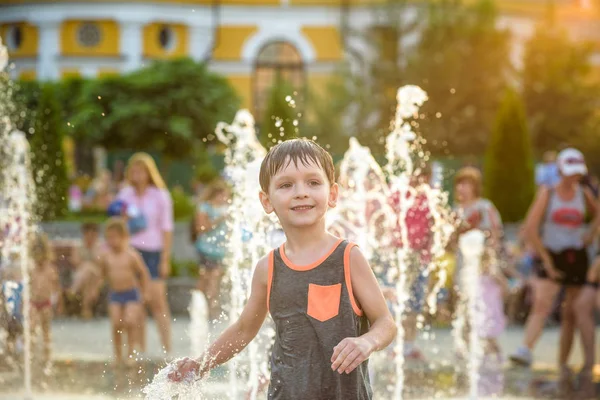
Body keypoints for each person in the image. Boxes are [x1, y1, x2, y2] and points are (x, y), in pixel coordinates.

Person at [169, 138, 397, 398]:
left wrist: (367, 341)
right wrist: (201, 364)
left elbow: (385, 323)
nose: (301, 192)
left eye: (313, 182)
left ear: (332, 194)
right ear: (267, 201)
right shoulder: (268, 268)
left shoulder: (348, 258)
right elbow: (244, 329)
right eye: (286, 185)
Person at [509, 148, 597, 389]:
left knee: (571, 313)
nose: (573, 178)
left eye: (577, 173)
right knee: (542, 303)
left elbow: (598, 214)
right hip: (551, 254)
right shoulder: (547, 193)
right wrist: (546, 260)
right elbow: (530, 228)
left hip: (575, 255)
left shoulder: (584, 193)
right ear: (560, 170)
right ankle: (524, 350)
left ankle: (563, 362)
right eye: (569, 173)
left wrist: (589, 236)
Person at [116, 152, 174, 354]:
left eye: (141, 171)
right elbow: (118, 224)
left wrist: (165, 258)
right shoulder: (125, 195)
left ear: (149, 173)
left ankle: (168, 350)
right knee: (136, 303)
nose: (137, 174)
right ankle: (139, 352)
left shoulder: (160, 195)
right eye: (134, 170)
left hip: (153, 251)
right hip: (132, 251)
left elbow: (166, 228)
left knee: (158, 302)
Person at [99, 217, 151, 367]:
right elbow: (103, 274)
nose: (111, 241)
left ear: (124, 237)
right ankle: (117, 356)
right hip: (115, 294)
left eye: (114, 237)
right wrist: (97, 287)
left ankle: (130, 354)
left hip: (131, 293)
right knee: (116, 323)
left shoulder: (131, 255)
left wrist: (145, 292)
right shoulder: (106, 257)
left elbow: (143, 274)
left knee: (130, 322)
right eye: (108, 238)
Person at [193, 179, 231, 321]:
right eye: (223, 195)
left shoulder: (226, 209)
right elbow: (201, 228)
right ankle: (205, 311)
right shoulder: (205, 208)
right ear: (215, 194)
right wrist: (219, 219)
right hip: (206, 249)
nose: (225, 199)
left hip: (220, 251)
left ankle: (208, 310)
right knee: (207, 279)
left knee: (212, 279)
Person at [29, 232, 60, 367]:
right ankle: (31, 353)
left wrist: (58, 303)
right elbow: (28, 286)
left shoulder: (50, 269)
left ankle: (47, 356)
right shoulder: (31, 269)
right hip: (34, 303)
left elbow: (56, 287)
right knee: (31, 327)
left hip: (45, 303)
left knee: (46, 330)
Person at [68, 222, 104, 319]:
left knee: (89, 268)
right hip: (81, 275)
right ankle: (86, 310)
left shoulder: (100, 246)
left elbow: (101, 264)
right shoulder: (77, 245)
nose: (90, 237)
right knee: (88, 274)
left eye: (93, 234)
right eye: (88, 234)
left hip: (97, 277)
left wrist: (93, 250)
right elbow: (75, 263)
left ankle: (73, 290)